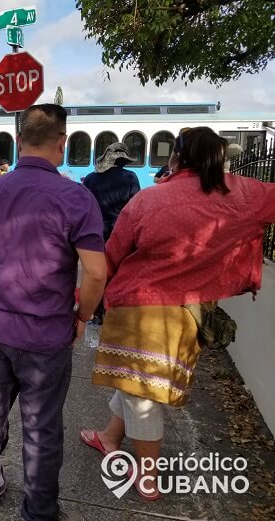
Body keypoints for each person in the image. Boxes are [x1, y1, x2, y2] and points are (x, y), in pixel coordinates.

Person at [80, 127, 275, 501]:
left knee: (142, 396)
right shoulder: (243, 193)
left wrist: (83, 301)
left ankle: (148, 476)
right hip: (189, 313)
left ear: (176, 158)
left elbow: (110, 257)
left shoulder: (149, 201)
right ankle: (109, 437)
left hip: (139, 312)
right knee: (136, 383)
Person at [0, 104, 107, 521]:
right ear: (61, 142)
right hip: (47, 336)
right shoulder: (75, 197)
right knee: (42, 426)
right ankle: (40, 513)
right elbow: (96, 272)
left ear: (19, 141)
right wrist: (82, 316)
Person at [82, 142, 141, 242]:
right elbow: (136, 206)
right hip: (120, 229)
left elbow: (83, 204)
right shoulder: (130, 177)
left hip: (94, 229)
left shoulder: (90, 177)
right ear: (123, 161)